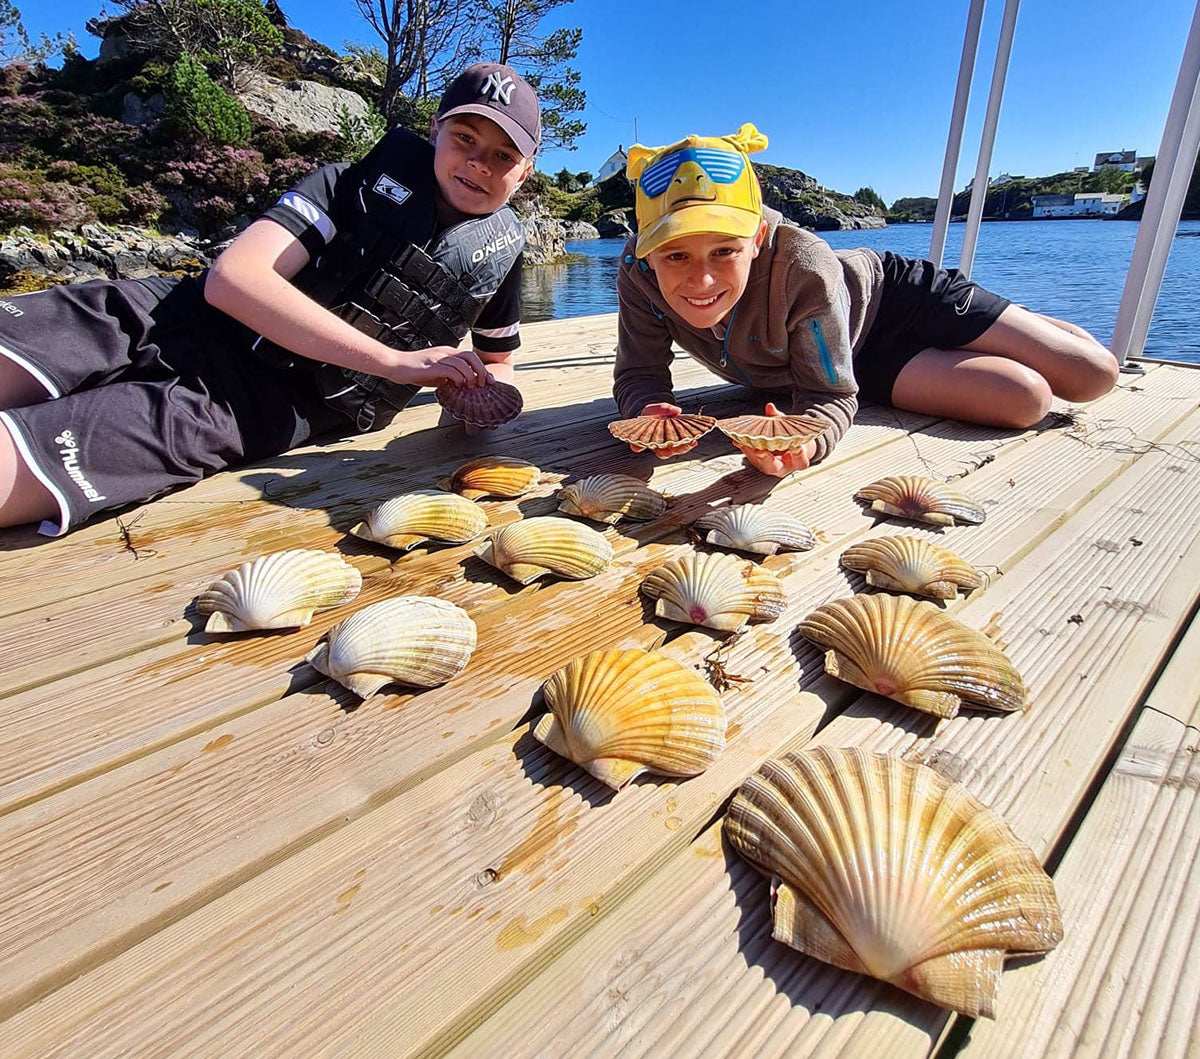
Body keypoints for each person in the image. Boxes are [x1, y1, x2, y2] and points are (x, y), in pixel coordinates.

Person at [0, 62, 540, 536]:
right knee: (38, 338)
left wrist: (481, 402)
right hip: (176, 316)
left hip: (264, 403)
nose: (479, 164)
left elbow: (499, 361)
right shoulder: (347, 184)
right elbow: (234, 278)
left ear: (527, 169)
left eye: (503, 155)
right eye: (464, 138)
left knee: (36, 458)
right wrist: (392, 363)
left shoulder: (500, 253)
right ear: (434, 130)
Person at [612, 123, 1120, 476]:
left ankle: (1025, 323)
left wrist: (812, 434)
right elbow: (640, 374)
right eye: (675, 256)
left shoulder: (803, 265)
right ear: (649, 253)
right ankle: (1006, 346)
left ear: (759, 238)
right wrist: (649, 411)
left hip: (894, 297)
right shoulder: (636, 275)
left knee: (1093, 375)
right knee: (1025, 399)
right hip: (856, 357)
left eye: (725, 250)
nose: (701, 280)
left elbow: (825, 401)